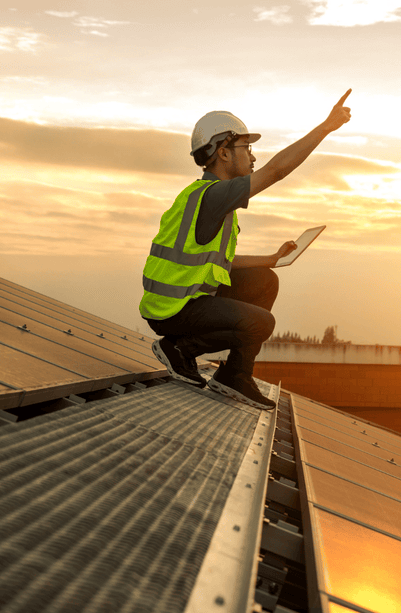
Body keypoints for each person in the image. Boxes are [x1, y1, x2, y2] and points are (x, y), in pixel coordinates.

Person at [140, 90, 353, 409]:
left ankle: (236, 374)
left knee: (265, 280)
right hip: (173, 309)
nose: (253, 157)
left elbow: (216, 262)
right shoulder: (214, 195)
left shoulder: (208, 197)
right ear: (223, 153)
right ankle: (180, 350)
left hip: (182, 301)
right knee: (261, 323)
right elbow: (276, 171)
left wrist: (271, 259)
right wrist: (325, 127)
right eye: (247, 148)